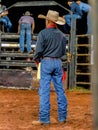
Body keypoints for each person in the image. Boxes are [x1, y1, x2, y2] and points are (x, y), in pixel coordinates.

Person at [32, 10, 68, 125]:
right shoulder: (62, 35)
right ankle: (62, 118)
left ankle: (44, 119)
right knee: (60, 90)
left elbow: (38, 51)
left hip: (46, 62)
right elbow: (63, 52)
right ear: (56, 22)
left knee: (44, 91)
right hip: (58, 62)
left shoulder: (43, 33)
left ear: (47, 20)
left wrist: (37, 61)